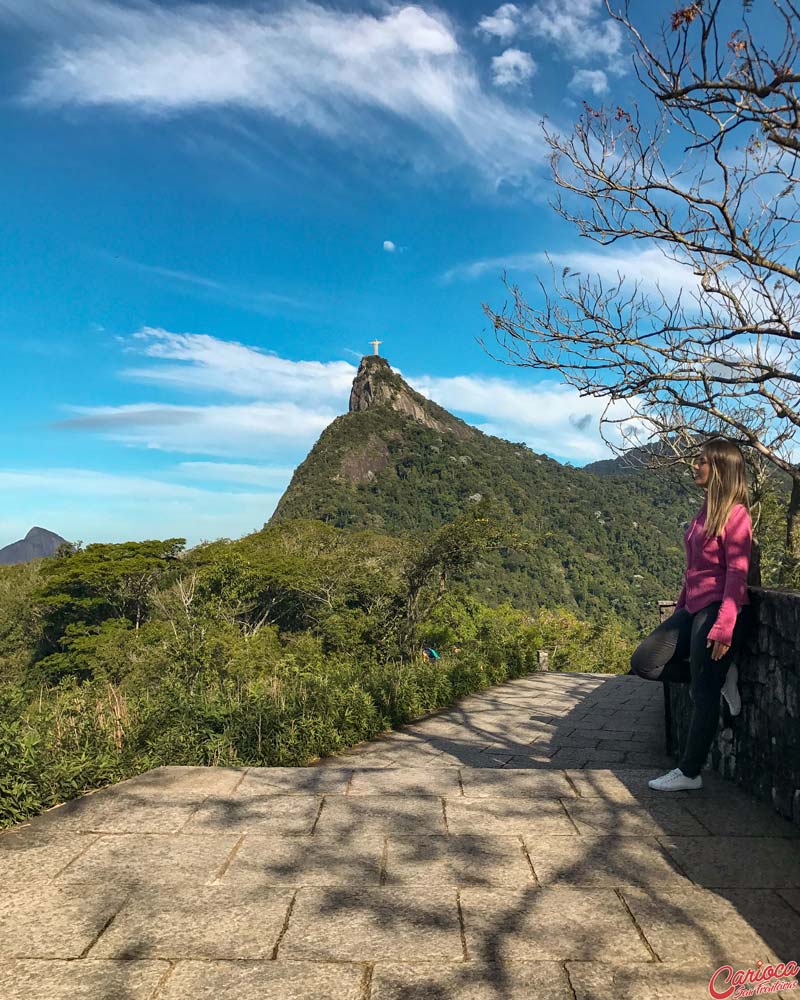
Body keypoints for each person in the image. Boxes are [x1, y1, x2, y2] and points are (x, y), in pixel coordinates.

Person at [630, 439, 752, 791]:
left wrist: (725, 625)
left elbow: (736, 573)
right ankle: (720, 674)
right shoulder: (705, 511)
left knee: (703, 693)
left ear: (720, 469)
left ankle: (689, 772)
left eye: (701, 461)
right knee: (644, 662)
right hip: (693, 607)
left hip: (717, 610)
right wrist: (682, 604)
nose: (694, 466)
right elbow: (695, 568)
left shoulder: (737, 515)